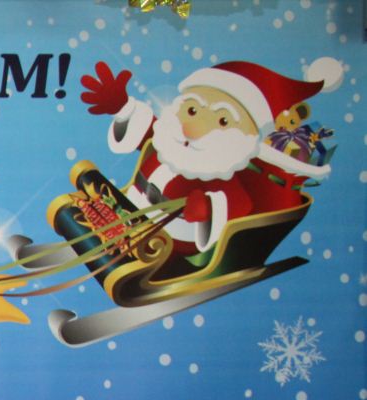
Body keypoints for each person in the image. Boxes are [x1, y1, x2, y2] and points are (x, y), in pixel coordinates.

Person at [80, 57, 341, 257]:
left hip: (165, 243)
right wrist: (124, 109)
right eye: (192, 110)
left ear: (246, 137)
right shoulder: (167, 138)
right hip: (125, 214)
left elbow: (238, 204)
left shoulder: (224, 172)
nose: (191, 127)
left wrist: (207, 208)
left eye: (223, 120)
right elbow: (145, 130)